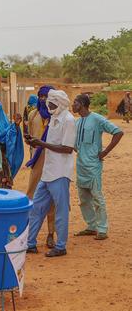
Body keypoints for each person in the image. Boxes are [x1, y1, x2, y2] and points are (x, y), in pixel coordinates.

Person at [25, 90, 76, 257]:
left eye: (52, 103)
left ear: (60, 103)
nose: (48, 105)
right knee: (36, 209)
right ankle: (30, 243)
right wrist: (36, 142)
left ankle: (61, 246)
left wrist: (42, 144)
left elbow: (68, 148)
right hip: (48, 172)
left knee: (60, 211)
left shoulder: (68, 120)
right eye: (48, 103)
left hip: (60, 173)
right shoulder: (54, 117)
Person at [72, 94, 123, 240]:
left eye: (75, 103)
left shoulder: (97, 119)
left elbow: (118, 132)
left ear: (81, 104)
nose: (73, 106)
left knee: (97, 197)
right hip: (81, 166)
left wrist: (105, 152)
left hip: (93, 166)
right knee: (84, 199)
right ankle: (92, 226)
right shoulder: (77, 122)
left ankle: (102, 229)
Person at [25, 85, 57, 248]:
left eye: (46, 96)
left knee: (52, 199)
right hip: (37, 162)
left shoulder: (56, 115)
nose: (43, 99)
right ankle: (29, 235)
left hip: (53, 162)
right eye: (41, 96)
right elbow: (30, 137)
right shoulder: (33, 114)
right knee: (32, 195)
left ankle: (51, 234)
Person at [0, 97, 24, 188]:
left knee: (3, 185)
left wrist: (16, 126)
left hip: (2, 160)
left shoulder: (5, 122)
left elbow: (9, 136)